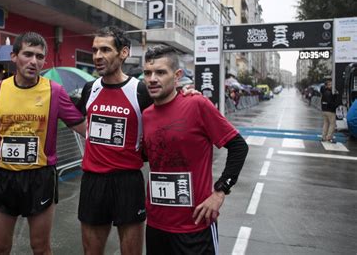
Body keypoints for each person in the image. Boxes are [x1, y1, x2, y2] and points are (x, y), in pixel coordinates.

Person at [76, 26, 198, 254]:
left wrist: (187, 96)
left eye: (105, 49)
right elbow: (76, 120)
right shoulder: (89, 89)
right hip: (93, 181)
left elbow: (169, 111)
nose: (97, 56)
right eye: (94, 50)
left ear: (123, 53)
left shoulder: (140, 90)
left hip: (128, 182)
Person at [0, 32, 86, 254]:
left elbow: (85, 129)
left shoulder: (54, 91)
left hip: (40, 177)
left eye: (40, 57)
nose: (34, 61)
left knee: (40, 248)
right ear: (14, 56)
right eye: (28, 54)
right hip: (3, 177)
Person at [141, 45, 248, 255]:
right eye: (147, 73)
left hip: (195, 226)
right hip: (156, 225)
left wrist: (220, 192)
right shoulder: (146, 114)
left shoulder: (197, 104)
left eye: (161, 72)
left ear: (177, 75)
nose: (152, 79)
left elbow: (238, 146)